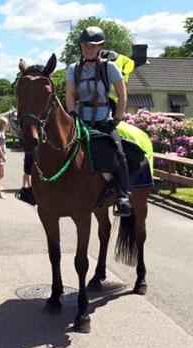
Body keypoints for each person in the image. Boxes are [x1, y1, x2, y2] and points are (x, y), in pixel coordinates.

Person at [65, 26, 132, 217]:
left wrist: (117, 119)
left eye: (92, 46)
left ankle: (123, 196)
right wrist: (72, 114)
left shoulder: (109, 67)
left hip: (103, 120)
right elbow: (70, 92)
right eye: (85, 46)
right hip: (80, 120)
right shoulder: (73, 69)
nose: (88, 49)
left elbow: (122, 94)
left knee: (119, 152)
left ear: (100, 47)